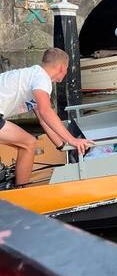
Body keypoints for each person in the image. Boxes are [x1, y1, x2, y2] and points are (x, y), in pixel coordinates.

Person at [0, 48, 94, 187]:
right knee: (28, 143)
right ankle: (21, 194)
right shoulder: (42, 79)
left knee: (26, 143)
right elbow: (46, 111)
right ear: (62, 68)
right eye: (67, 69)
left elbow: (44, 120)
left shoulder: (34, 76)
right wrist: (73, 140)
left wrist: (63, 146)